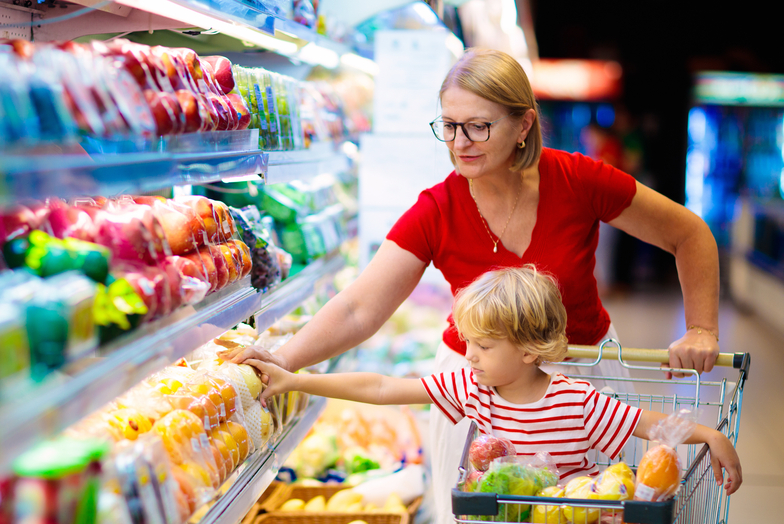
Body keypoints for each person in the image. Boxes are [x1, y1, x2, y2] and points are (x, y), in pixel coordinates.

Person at [220, 47, 722, 480]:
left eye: (479, 126)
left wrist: (702, 328)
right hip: (479, 391)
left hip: (583, 384)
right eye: (450, 126)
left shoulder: (577, 180)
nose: (460, 143)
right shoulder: (437, 209)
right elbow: (358, 309)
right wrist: (284, 360)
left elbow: (688, 233)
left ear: (523, 123)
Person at [245, 267, 742, 494]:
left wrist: (710, 434)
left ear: (528, 350)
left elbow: (646, 424)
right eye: (469, 343)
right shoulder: (470, 387)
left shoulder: (577, 401)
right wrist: (296, 380)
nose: (469, 355)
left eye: (483, 346)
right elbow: (380, 388)